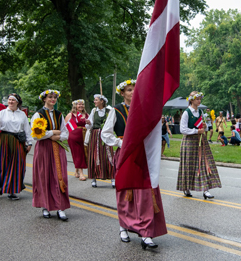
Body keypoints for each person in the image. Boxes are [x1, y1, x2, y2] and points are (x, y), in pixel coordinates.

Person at [101, 79, 167, 249]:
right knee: (125, 191)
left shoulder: (145, 108)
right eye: (129, 90)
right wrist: (120, 142)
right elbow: (105, 133)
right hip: (125, 154)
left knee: (145, 191)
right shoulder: (115, 111)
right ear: (122, 93)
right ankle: (124, 226)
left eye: (134, 89)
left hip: (143, 155)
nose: (132, 92)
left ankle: (146, 232)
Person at [0, 93, 33, 200]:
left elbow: (27, 129)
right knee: (3, 164)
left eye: (13, 100)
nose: (10, 102)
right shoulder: (2, 113)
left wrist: (29, 143)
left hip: (18, 141)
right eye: (9, 100)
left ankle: (12, 190)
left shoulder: (22, 114)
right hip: (4, 140)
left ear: (18, 102)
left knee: (17, 166)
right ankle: (1, 185)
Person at [31, 89, 70, 221]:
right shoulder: (38, 115)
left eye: (54, 97)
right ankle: (45, 206)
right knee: (44, 175)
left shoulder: (59, 114)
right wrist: (52, 132)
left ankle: (60, 207)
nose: (53, 99)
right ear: (44, 99)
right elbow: (36, 135)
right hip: (44, 149)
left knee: (60, 176)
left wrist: (57, 137)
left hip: (58, 148)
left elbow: (65, 133)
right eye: (50, 97)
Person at [177, 91, 222, 199]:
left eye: (200, 98)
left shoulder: (201, 112)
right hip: (189, 142)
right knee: (188, 166)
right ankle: (186, 188)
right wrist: (196, 131)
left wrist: (205, 127)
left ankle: (205, 190)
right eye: (197, 98)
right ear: (191, 100)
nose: (199, 100)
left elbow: (204, 128)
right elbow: (182, 129)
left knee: (203, 164)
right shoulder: (187, 113)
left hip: (201, 142)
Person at [86, 94, 114, 188]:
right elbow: (90, 126)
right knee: (95, 155)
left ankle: (113, 178)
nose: (94, 101)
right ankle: (94, 179)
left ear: (102, 101)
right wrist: (89, 123)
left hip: (106, 135)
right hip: (95, 136)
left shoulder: (109, 111)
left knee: (108, 156)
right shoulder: (94, 111)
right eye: (94, 100)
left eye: (96, 100)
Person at [65, 99, 89, 182]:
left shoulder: (86, 114)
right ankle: (81, 173)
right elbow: (65, 127)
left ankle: (76, 170)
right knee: (78, 154)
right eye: (79, 104)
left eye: (82, 104)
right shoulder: (70, 115)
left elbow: (90, 124)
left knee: (83, 153)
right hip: (73, 137)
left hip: (84, 136)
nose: (81, 106)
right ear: (75, 106)